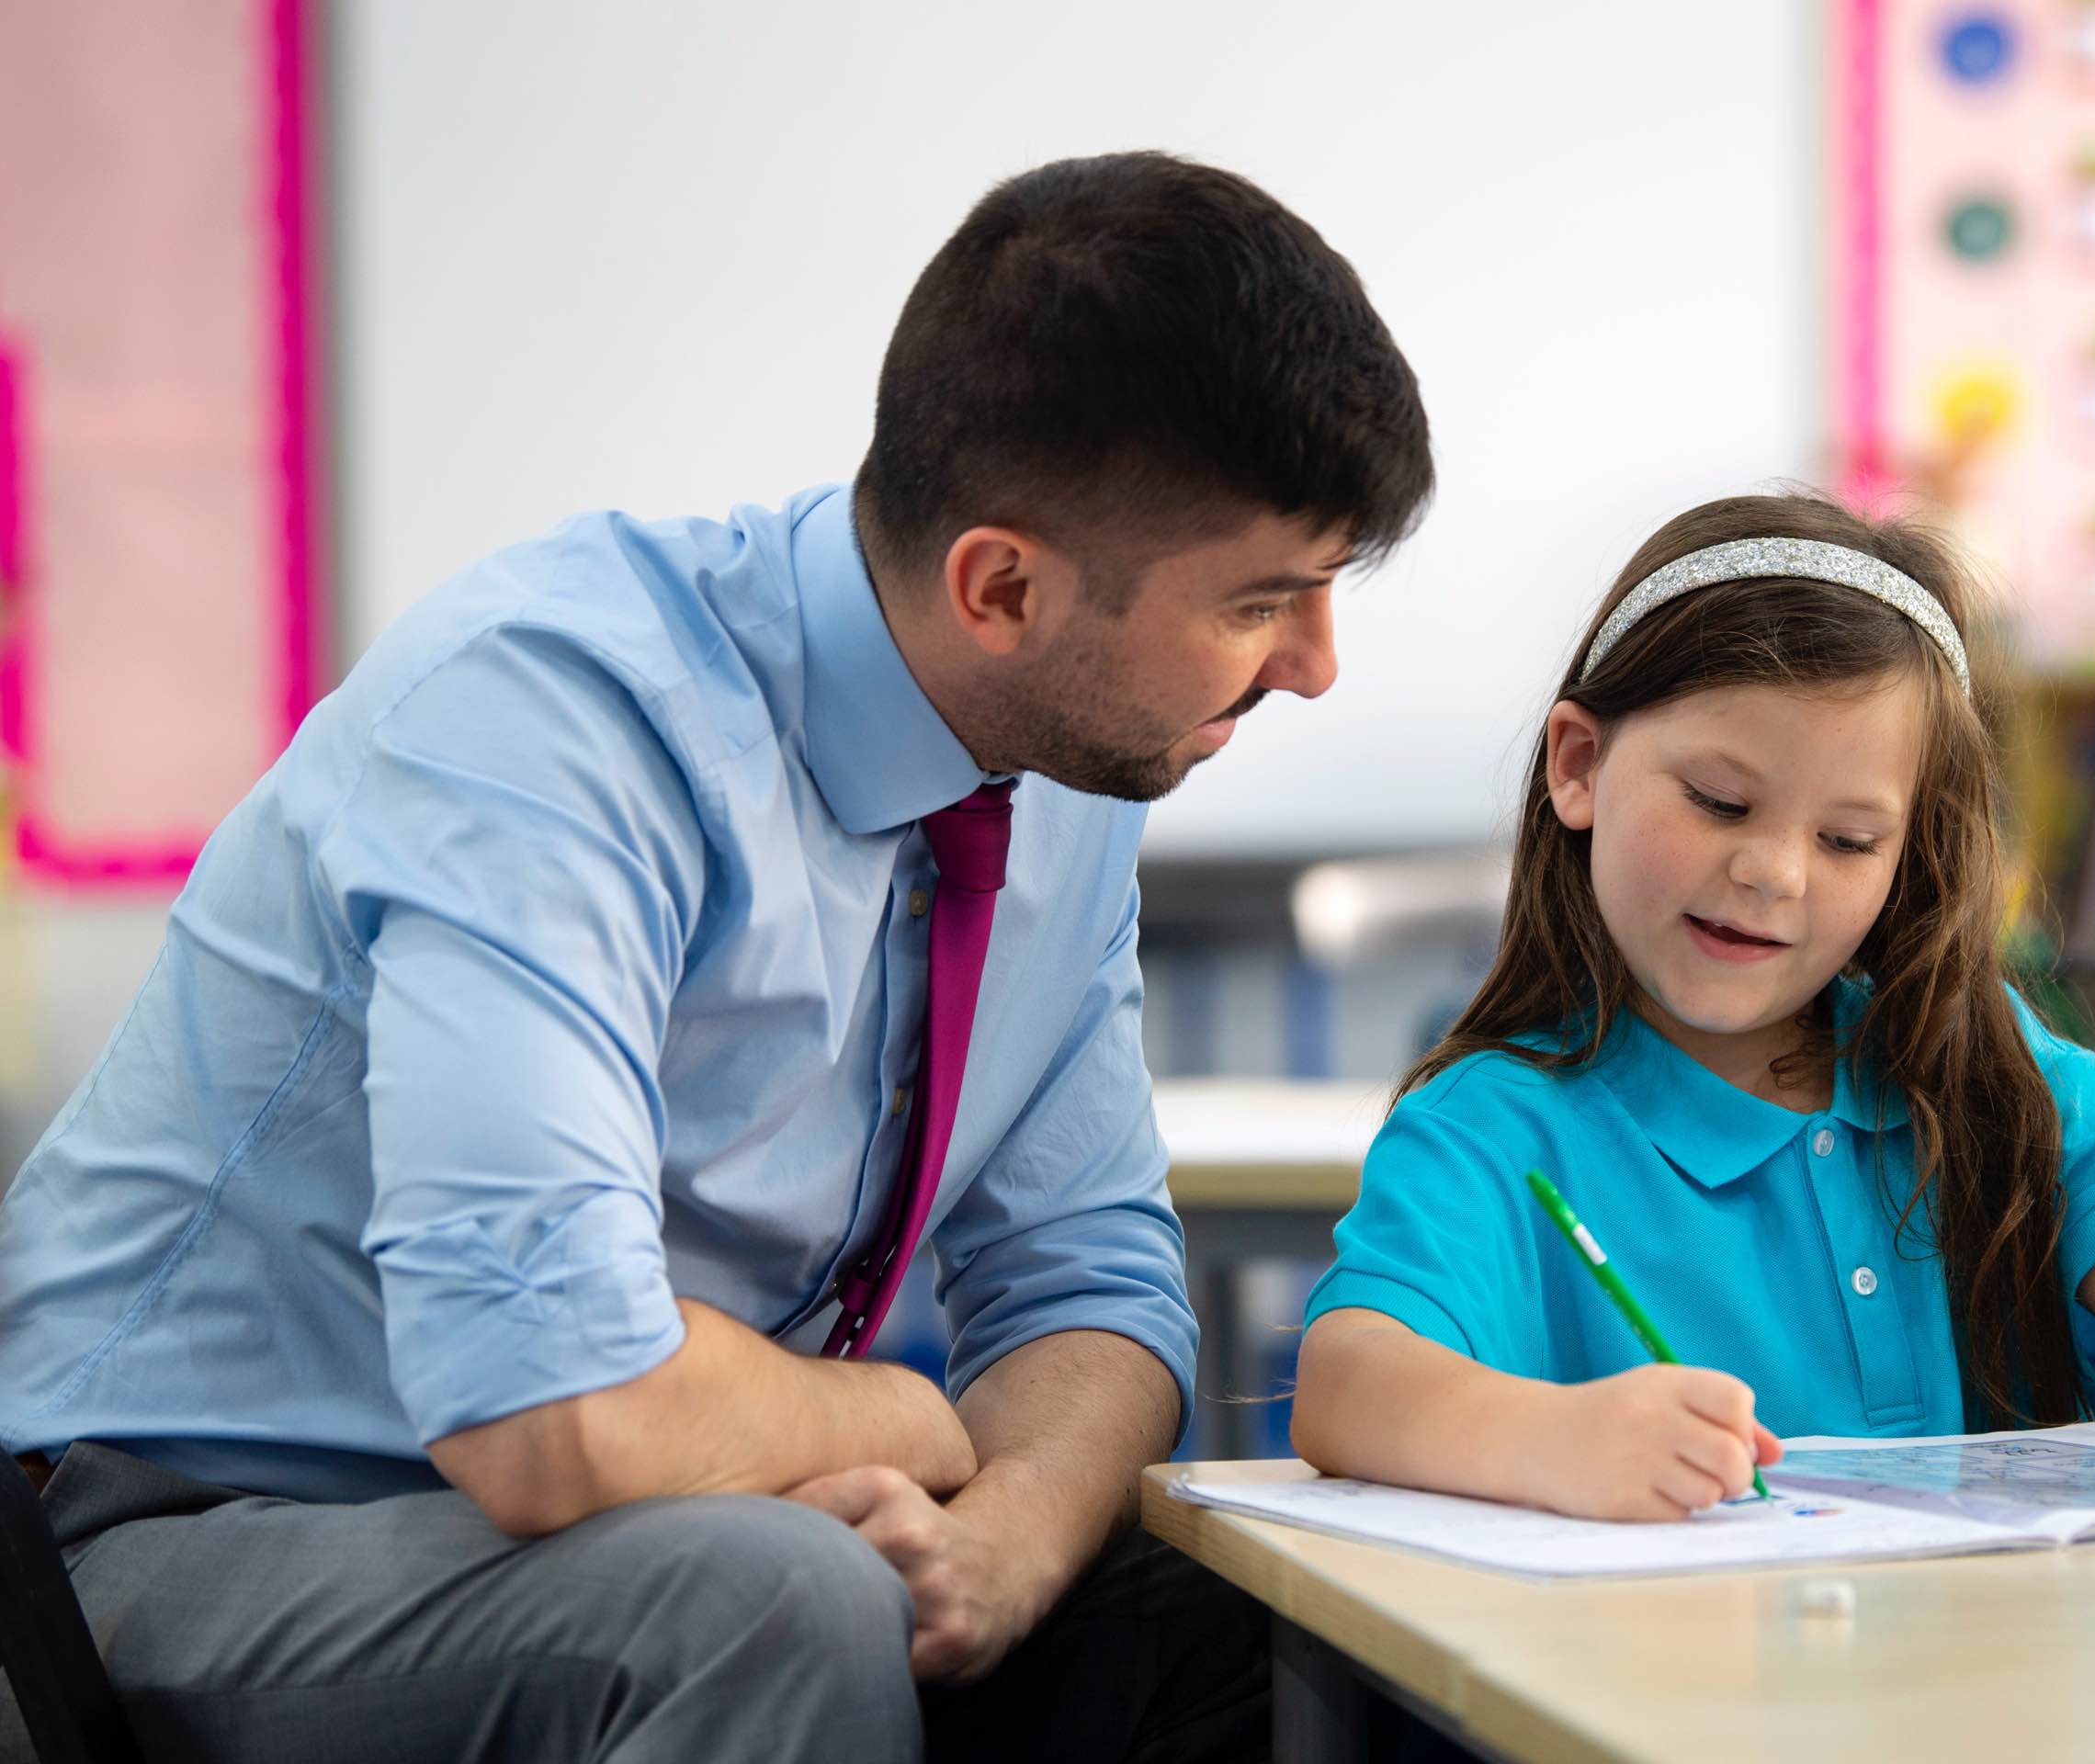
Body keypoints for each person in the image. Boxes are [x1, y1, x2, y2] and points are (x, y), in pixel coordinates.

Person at [0, 150, 1432, 1761]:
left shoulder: (1065, 774)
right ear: (1003, 588)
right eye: (1262, 603)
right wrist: (900, 1414)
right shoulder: (552, 720)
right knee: (772, 1603)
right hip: (168, 1542)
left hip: (632, 1524)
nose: (1314, 666)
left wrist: (1001, 1546)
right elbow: (552, 1409)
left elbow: (1086, 1283)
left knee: (1271, 1613)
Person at [1289, 492, 2095, 1521]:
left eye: (1848, 841)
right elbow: (1345, 1382)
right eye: (1719, 803)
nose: (1774, 872)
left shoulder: (1986, 1060)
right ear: (1580, 765)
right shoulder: (1490, 1129)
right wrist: (1554, 1438)